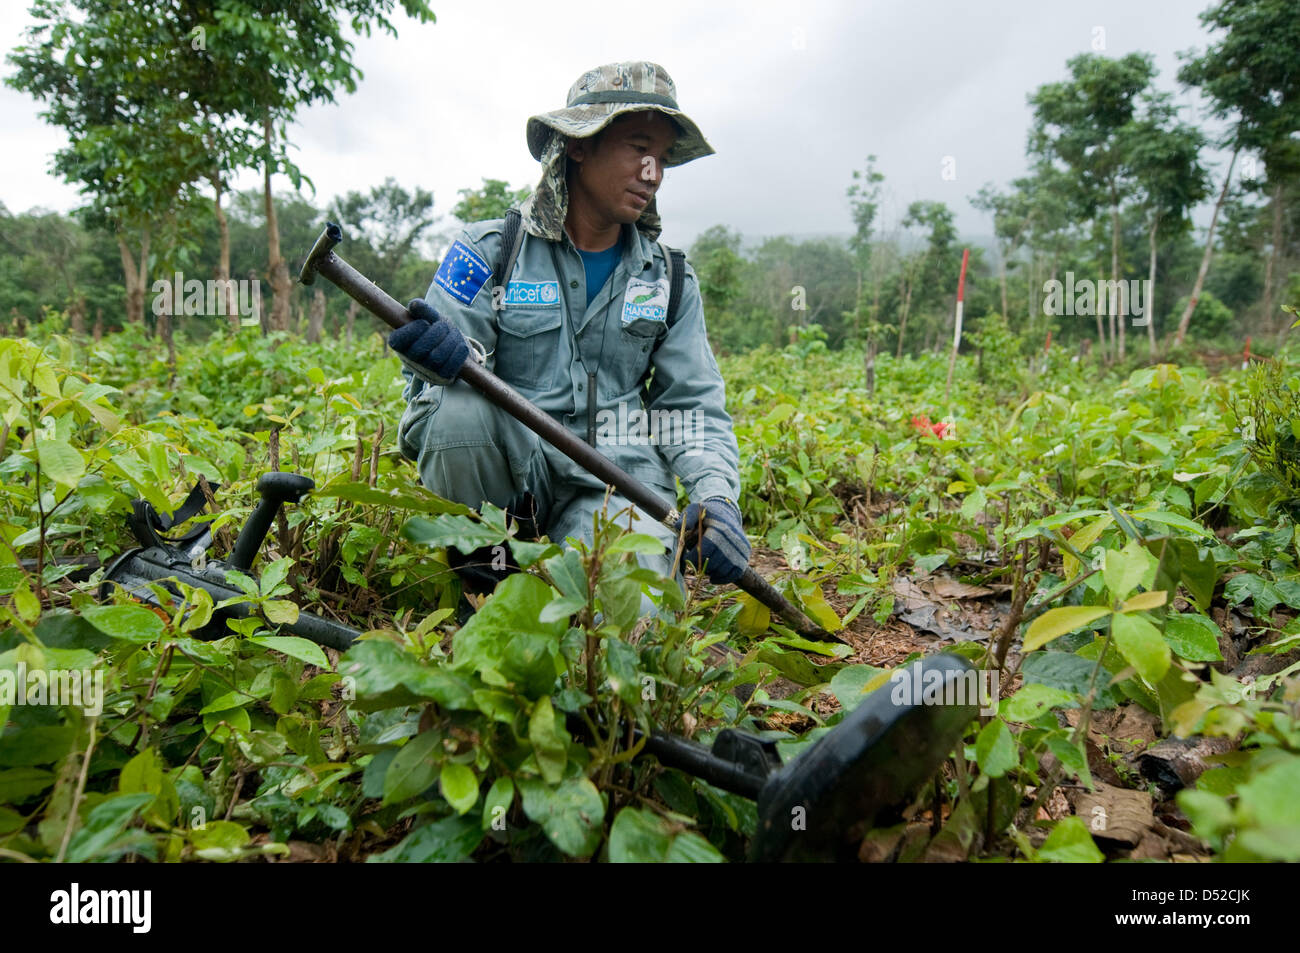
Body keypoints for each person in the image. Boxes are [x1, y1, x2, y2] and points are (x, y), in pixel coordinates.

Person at [390, 61, 749, 600]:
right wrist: (433, 356)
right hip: (514, 473)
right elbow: (434, 370)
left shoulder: (669, 278)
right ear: (579, 146)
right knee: (458, 410)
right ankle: (486, 575)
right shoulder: (490, 251)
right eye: (636, 147)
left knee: (635, 610)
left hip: (616, 481)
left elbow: (692, 403)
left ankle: (583, 577)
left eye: (662, 158)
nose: (652, 172)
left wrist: (716, 497)